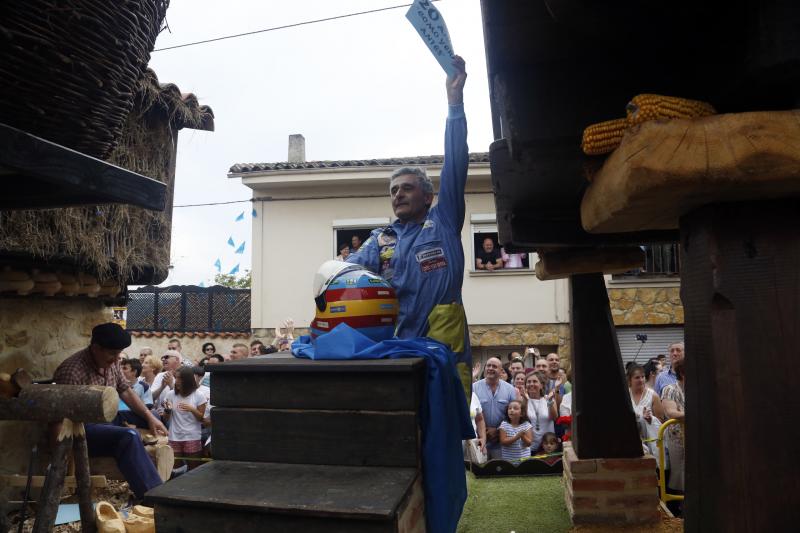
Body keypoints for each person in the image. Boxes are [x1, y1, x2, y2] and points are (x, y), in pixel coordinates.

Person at [346, 56, 473, 396]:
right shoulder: (380, 238)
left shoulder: (443, 219)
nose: (398, 194)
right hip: (398, 345)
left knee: (445, 427)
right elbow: (348, 277)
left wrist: (454, 105)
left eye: (406, 188)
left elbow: (456, 161)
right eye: (393, 191)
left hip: (443, 343)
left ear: (429, 196)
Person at [52, 323, 165, 500]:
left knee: (155, 415)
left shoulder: (111, 363)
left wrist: (150, 418)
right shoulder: (72, 371)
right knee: (129, 436)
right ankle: (154, 497)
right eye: (112, 353)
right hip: (84, 430)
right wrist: (64, 455)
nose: (116, 358)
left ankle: (163, 470)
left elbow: (126, 391)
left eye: (118, 353)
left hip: (108, 419)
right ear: (96, 348)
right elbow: (60, 419)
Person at [162, 367, 207, 471]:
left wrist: (192, 409)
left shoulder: (198, 395)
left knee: (193, 469)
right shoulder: (170, 394)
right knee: (174, 469)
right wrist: (168, 410)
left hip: (192, 436)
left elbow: (201, 418)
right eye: (176, 378)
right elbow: (165, 418)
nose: (176, 381)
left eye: (179, 378)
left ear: (187, 380)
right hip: (174, 436)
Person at [473, 357, 517, 460]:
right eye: (488, 365)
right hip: (480, 441)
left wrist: (498, 430)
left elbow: (514, 415)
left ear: (501, 370)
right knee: (480, 472)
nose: (490, 368)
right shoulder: (474, 388)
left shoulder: (510, 389)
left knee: (500, 472)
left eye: (494, 366)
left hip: (501, 442)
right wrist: (483, 432)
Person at [661, 359, 686, 516]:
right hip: (677, 437)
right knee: (680, 471)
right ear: (683, 373)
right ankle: (680, 507)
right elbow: (671, 413)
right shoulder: (670, 389)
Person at [628, 363, 665, 461]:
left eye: (643, 377)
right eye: (637, 377)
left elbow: (661, 420)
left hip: (650, 442)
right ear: (629, 380)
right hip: (630, 442)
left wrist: (650, 419)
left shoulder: (653, 396)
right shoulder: (625, 396)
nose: (641, 380)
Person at [524, 372, 557, 453]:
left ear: (541, 385)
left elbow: (554, 418)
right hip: (530, 446)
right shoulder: (523, 401)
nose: (531, 384)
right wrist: (526, 400)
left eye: (535, 381)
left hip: (548, 446)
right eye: (528, 382)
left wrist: (549, 401)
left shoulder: (548, 398)